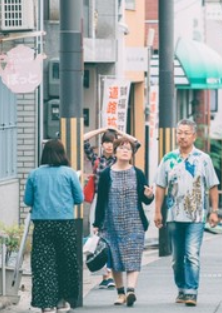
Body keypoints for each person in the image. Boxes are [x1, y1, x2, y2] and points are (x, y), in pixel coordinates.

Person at [154, 119, 220, 307]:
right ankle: (182, 289)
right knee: (176, 258)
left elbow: (213, 186)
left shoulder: (203, 159)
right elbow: (160, 186)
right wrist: (158, 211)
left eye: (186, 133)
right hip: (174, 215)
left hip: (196, 217)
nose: (181, 136)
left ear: (194, 136)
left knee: (192, 254)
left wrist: (214, 211)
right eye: (179, 132)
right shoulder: (168, 159)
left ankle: (191, 292)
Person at [92, 138, 154, 307]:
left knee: (133, 256)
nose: (125, 151)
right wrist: (97, 223)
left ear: (132, 154)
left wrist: (149, 195)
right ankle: (120, 293)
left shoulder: (138, 173)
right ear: (116, 151)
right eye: (122, 148)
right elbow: (101, 200)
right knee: (115, 258)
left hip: (134, 222)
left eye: (128, 149)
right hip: (111, 223)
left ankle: (131, 290)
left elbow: (145, 199)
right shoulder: (106, 174)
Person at [23, 140, 84, 313]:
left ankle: (46, 304)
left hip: (42, 224)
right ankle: (62, 301)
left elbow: (28, 200)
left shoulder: (34, 174)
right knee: (65, 262)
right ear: (62, 153)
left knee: (44, 264)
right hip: (65, 223)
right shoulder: (70, 173)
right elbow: (79, 198)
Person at [83, 127, 141, 289]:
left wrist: (119, 133)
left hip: (120, 202)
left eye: (111, 142)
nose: (109, 146)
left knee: (116, 240)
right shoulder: (97, 159)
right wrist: (101, 130)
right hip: (100, 202)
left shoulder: (120, 160)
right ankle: (106, 275)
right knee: (101, 238)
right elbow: (82, 139)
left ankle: (115, 274)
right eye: (106, 142)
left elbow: (136, 143)